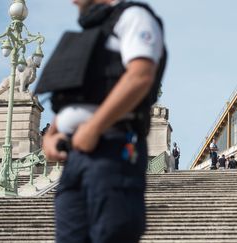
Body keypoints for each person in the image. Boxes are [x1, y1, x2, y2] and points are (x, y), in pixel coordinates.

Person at [36, 0, 166, 242]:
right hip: (75, 156)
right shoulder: (91, 33)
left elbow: (140, 76)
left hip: (112, 147)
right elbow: (76, 95)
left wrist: (94, 127)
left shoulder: (133, 16)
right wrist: (51, 133)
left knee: (111, 233)